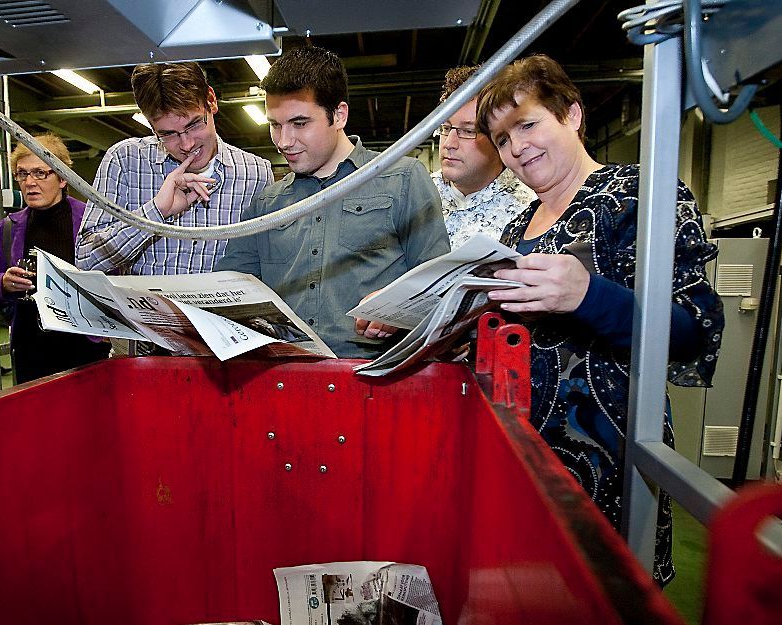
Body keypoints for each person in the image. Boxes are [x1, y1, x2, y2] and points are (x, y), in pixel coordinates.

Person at [476, 54, 724, 585]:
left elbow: (690, 328)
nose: (517, 148)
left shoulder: (642, 198)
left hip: (609, 461)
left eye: (527, 124)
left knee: (606, 596)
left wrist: (589, 296)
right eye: (501, 139)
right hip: (524, 456)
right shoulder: (518, 225)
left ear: (572, 115)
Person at [217, 46, 450, 359]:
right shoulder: (267, 203)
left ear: (339, 115)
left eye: (300, 123)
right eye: (275, 125)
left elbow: (441, 285)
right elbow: (230, 294)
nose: (284, 141)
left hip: (374, 379)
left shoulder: (402, 179)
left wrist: (399, 305)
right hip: (286, 378)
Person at [75, 61, 273, 275]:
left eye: (195, 124)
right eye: (168, 134)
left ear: (211, 101)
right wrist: (156, 212)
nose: (187, 145)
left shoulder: (256, 173)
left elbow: (266, 263)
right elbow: (85, 261)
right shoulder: (125, 160)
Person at [0, 134, 110, 383]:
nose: (29, 182)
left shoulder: (92, 221)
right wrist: (3, 283)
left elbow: (115, 278)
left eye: (40, 173)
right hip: (31, 348)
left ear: (62, 178)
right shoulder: (7, 229)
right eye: (22, 174)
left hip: (86, 346)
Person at [432, 65, 535, 245]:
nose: (449, 143)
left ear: (499, 137)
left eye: (468, 131)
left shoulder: (529, 210)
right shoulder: (415, 197)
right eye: (446, 128)